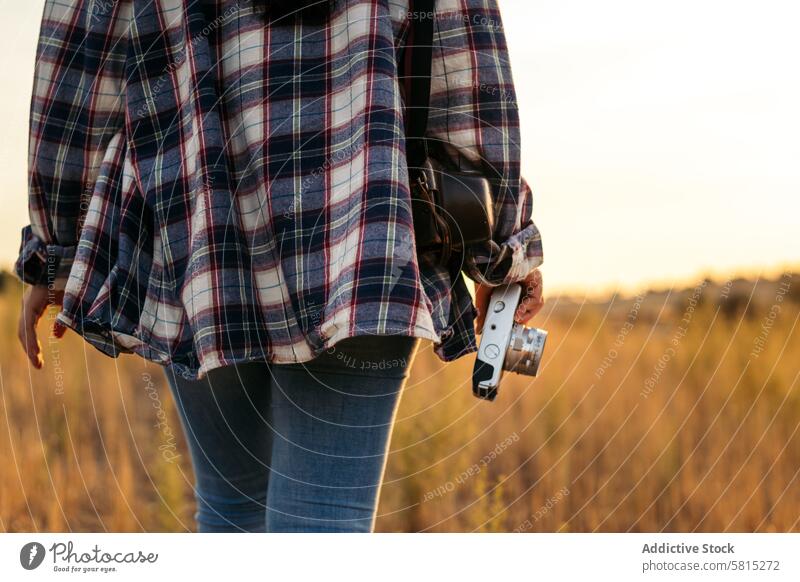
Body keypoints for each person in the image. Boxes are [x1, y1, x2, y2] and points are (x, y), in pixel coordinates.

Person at [15, 0, 544, 532]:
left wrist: (55, 250)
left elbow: (77, 63)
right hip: (364, 234)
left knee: (230, 507)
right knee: (326, 513)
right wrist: (501, 250)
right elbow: (469, 62)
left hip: (195, 232)